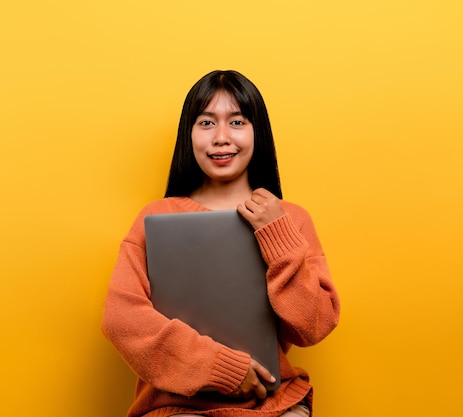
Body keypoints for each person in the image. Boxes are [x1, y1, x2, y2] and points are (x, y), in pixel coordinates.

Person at [101, 70, 340, 417]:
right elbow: (121, 319)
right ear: (190, 134)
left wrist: (277, 235)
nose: (222, 137)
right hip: (176, 406)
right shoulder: (157, 216)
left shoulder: (291, 218)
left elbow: (313, 325)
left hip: (275, 403)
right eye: (207, 123)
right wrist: (222, 367)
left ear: (258, 131)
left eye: (238, 121)